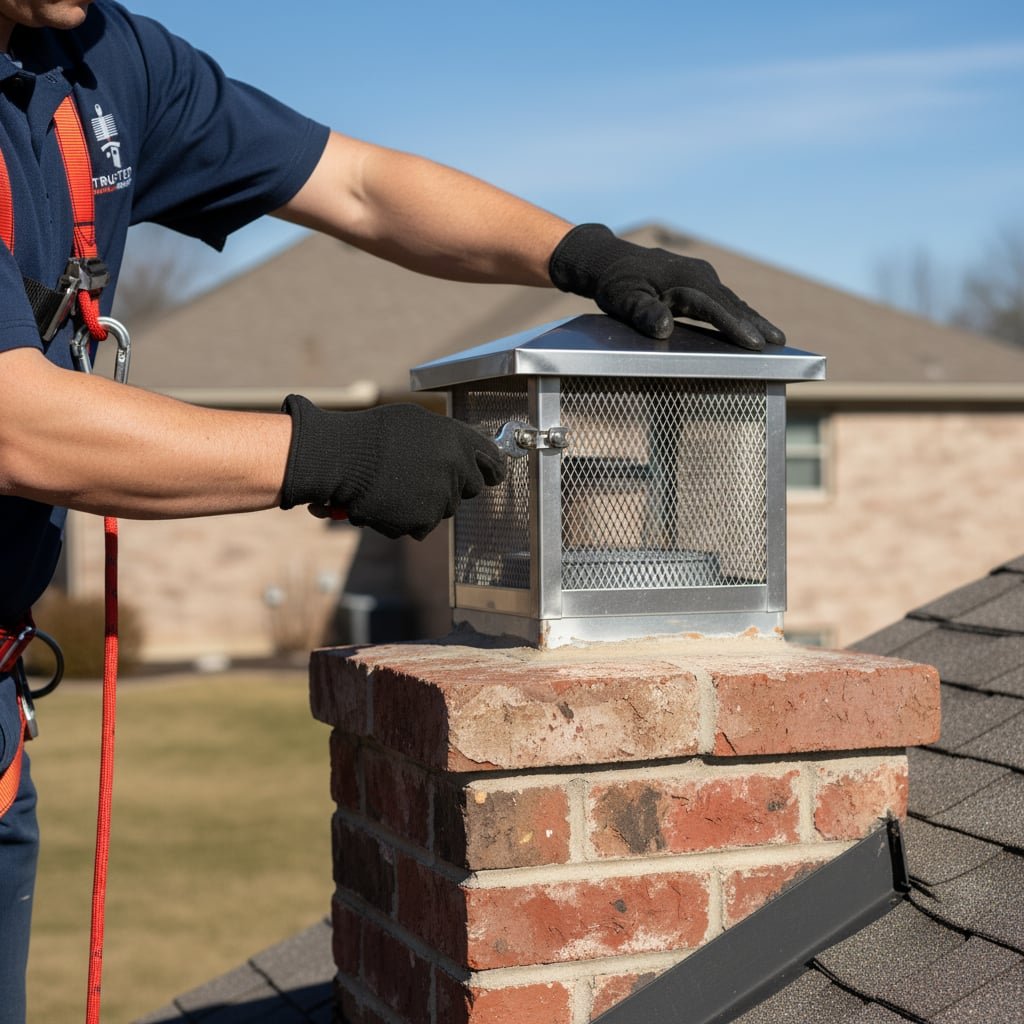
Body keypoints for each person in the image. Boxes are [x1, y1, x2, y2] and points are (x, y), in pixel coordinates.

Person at [0, 1, 785, 1019]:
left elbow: (362, 187)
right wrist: (336, 453)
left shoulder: (101, 59)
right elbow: (18, 423)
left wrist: (581, 253)